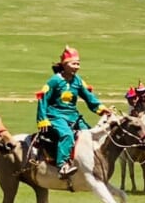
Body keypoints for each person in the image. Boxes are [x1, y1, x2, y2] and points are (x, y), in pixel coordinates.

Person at [36, 46, 109, 178]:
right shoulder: (55, 81)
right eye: (73, 64)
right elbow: (43, 99)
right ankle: (62, 165)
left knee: (90, 134)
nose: (76, 67)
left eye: (78, 64)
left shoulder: (78, 81)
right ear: (64, 65)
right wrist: (42, 119)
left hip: (73, 116)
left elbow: (89, 97)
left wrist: (102, 109)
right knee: (67, 135)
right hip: (55, 116)